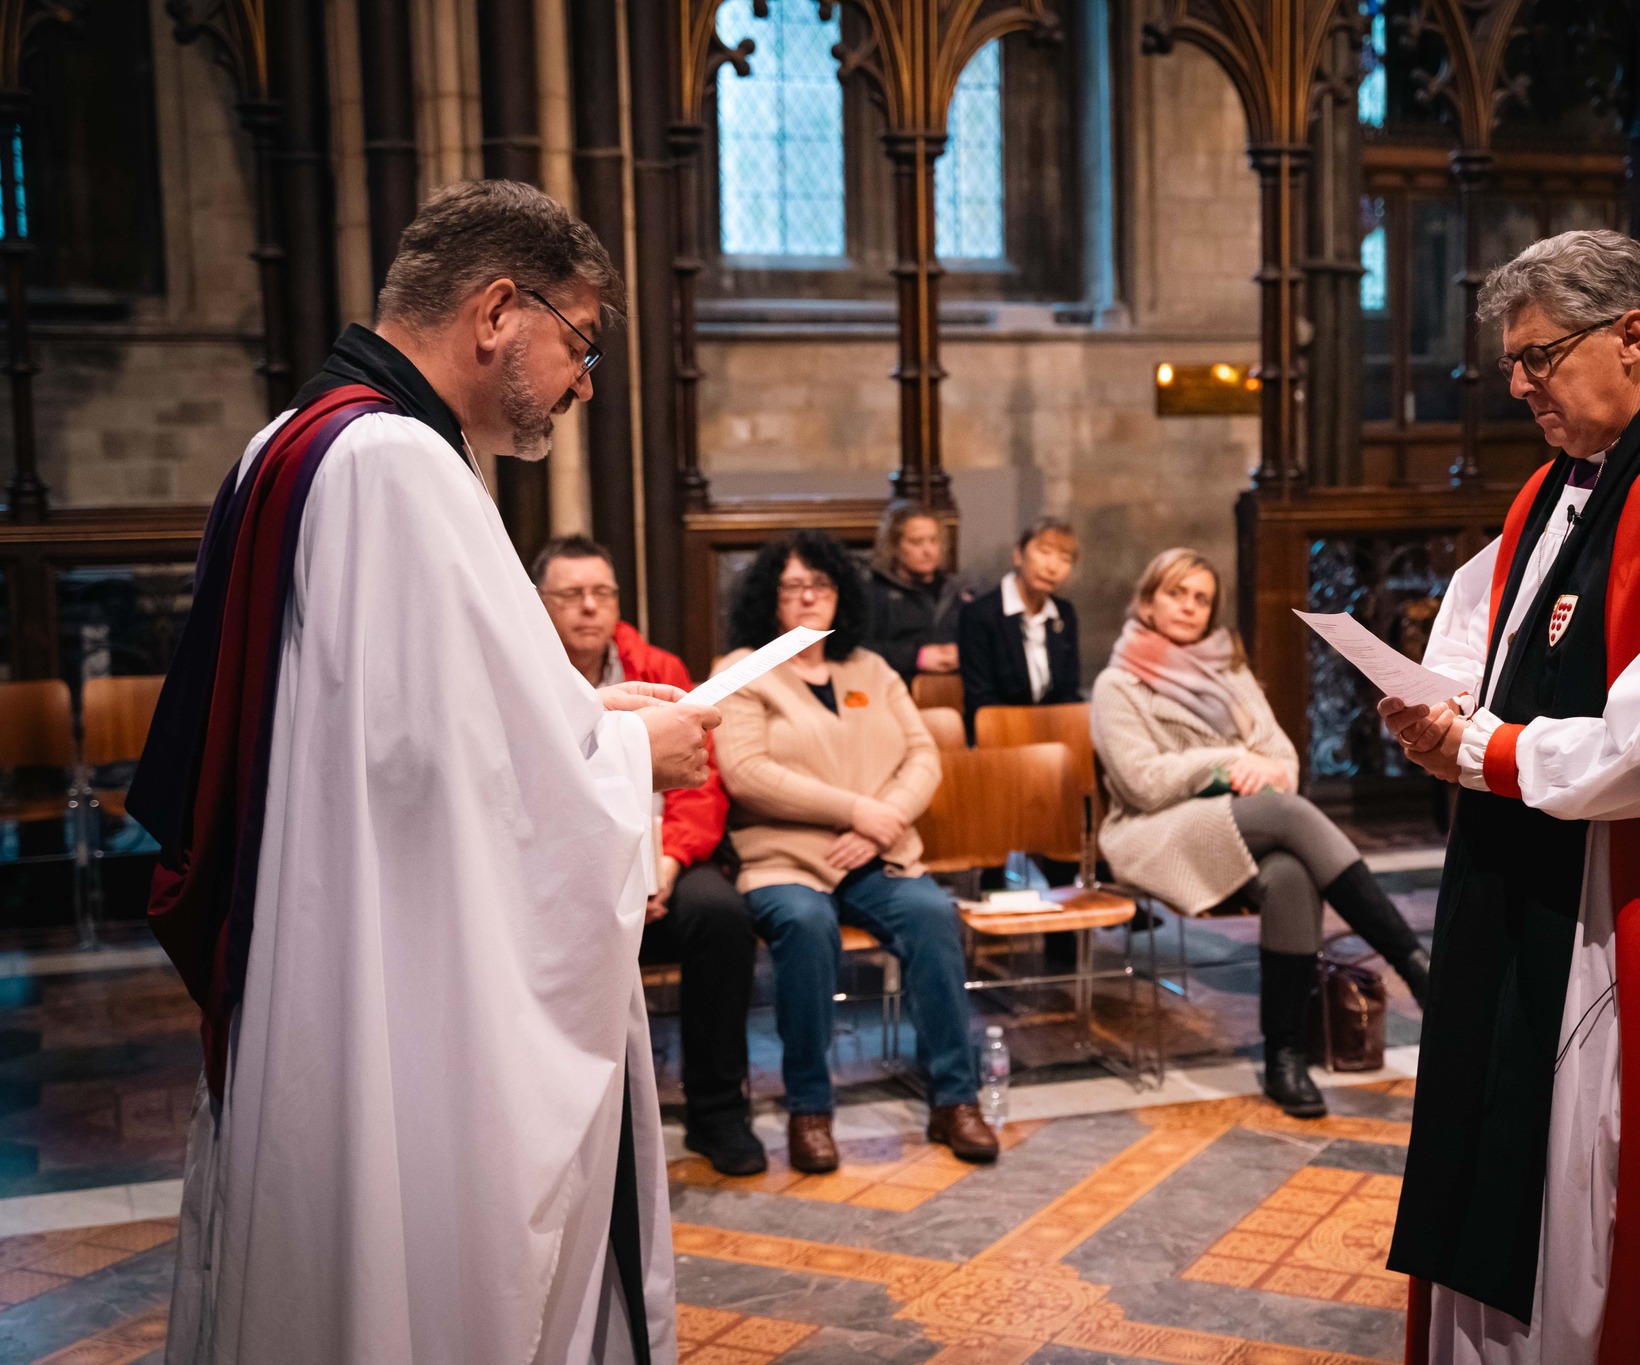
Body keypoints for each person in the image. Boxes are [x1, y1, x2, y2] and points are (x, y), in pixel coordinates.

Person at [129, 181, 715, 1364]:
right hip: (385, 976)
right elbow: (448, 788)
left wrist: (583, 712)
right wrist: (629, 756)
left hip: (315, 932)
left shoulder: (290, 440)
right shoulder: (397, 464)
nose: (583, 382)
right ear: (499, 310)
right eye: (580, 342)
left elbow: (378, 734)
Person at [1380, 229, 1640, 1364]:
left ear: (1632, 337)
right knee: (1496, 1157)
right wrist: (1434, 711)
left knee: (1592, 1189)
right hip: (1521, 875)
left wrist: (1490, 755)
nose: (1517, 385)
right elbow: (1481, 635)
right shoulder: (1552, 492)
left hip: (1624, 914)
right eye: (1511, 363)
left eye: (1538, 357)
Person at [1091, 548, 1429, 1120]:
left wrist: (1260, 769)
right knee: (1290, 815)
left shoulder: (1229, 669)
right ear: (1148, 600)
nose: (1190, 607)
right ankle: (1416, 965)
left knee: (1291, 874)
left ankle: (1284, 1058)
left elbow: (1281, 760)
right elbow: (1143, 783)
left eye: (1202, 598)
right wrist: (1226, 765)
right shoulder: (1117, 684)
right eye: (1177, 593)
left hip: (1244, 820)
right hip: (1156, 829)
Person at [714, 530, 998, 1173]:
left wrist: (883, 819)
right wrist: (855, 809)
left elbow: (923, 753)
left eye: (822, 584)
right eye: (793, 587)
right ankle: (810, 1110)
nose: (809, 598)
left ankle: (955, 1099)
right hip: (783, 857)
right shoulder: (741, 669)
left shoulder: (871, 667)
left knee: (931, 917)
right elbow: (747, 772)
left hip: (877, 850)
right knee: (809, 927)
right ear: (769, 599)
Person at [532, 534, 767, 1178]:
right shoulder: (524, 673)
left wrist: (665, 865)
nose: (589, 608)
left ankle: (719, 1112)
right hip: (565, 873)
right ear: (539, 603)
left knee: (721, 918)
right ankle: (577, 1126)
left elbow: (700, 778)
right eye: (571, 595)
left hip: (661, 858)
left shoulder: (657, 666)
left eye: (601, 593)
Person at [958, 516, 1081, 740]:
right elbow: (981, 700)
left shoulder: (1064, 614)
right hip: (997, 736)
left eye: (1065, 559)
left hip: (1052, 737)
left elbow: (1069, 692)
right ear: (1018, 555)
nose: (1053, 567)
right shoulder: (980, 614)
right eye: (1044, 552)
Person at [867, 500, 969, 685]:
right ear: (895, 546)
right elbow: (860, 652)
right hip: (897, 689)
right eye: (916, 542)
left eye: (933, 540)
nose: (928, 550)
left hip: (958, 689)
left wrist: (964, 652)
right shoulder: (874, 592)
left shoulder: (959, 591)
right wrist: (916, 657)